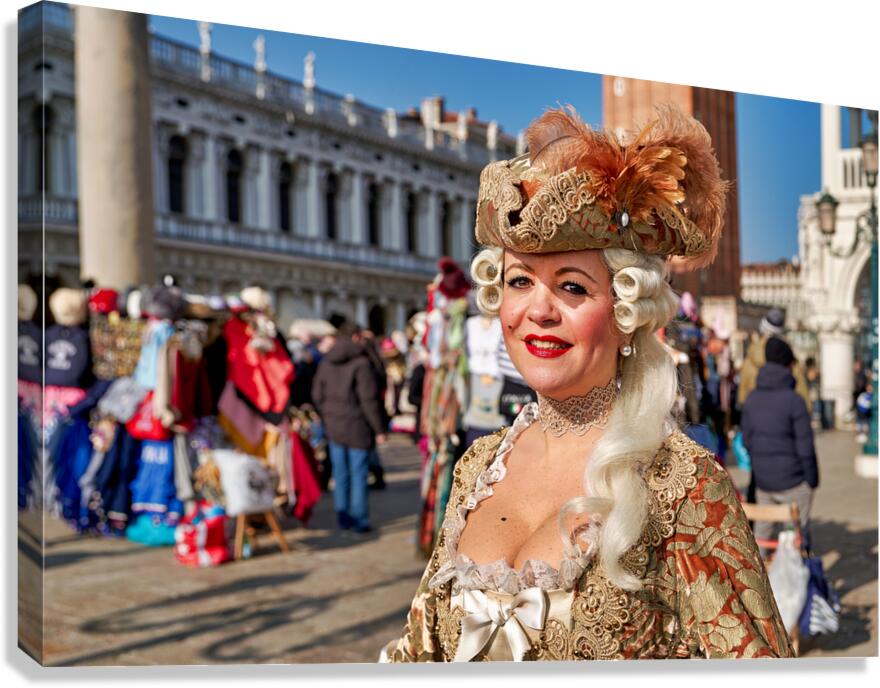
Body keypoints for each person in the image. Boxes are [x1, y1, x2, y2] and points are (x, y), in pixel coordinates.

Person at [382, 105, 791, 661]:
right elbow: (418, 649)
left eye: (572, 287)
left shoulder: (683, 486)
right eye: (520, 280)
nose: (539, 311)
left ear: (625, 309)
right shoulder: (476, 467)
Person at [741, 337, 819, 553]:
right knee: (798, 533)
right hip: (794, 482)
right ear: (788, 365)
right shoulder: (794, 401)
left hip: (764, 482)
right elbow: (806, 449)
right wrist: (812, 481)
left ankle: (758, 578)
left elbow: (746, 441)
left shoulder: (752, 398)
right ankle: (799, 568)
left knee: (762, 535)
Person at [312, 320, 387, 533]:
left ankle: (343, 517)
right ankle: (360, 519)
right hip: (358, 426)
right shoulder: (362, 363)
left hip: (334, 425)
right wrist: (379, 429)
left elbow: (317, 395)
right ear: (355, 337)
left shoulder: (326, 361)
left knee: (340, 474)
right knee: (358, 474)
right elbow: (369, 399)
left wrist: (326, 415)